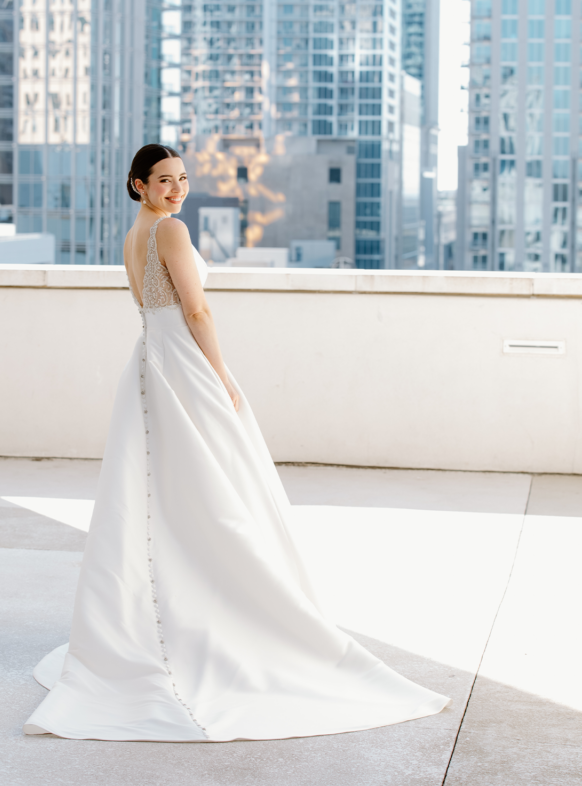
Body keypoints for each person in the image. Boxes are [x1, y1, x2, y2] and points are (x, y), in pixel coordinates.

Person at [23, 143, 449, 741]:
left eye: (182, 179)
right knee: (216, 487)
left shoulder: (134, 234)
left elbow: (154, 307)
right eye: (164, 181)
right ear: (138, 185)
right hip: (186, 361)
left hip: (151, 359)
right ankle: (225, 612)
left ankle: (164, 612)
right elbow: (197, 312)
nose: (177, 189)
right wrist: (221, 375)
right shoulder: (169, 231)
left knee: (162, 492)